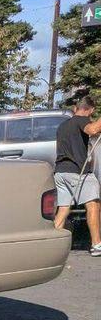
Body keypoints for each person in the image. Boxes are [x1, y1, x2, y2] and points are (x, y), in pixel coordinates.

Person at [53, 96, 101, 256]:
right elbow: (92, 130)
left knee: (64, 209)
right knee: (93, 203)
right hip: (77, 171)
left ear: (76, 108)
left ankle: (51, 244)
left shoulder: (63, 126)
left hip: (61, 172)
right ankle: (96, 244)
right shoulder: (81, 120)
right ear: (90, 110)